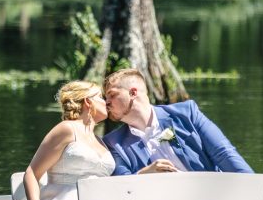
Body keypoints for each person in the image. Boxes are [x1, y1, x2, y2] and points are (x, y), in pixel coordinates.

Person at [102, 69, 253, 176]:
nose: (106, 102)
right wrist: (144, 175)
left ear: (133, 93)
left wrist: (256, 191)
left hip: (211, 199)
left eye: (112, 95)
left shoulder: (186, 114)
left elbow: (224, 154)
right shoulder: (114, 143)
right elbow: (122, 187)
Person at [19, 80, 116, 200]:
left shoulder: (100, 140)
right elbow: (31, 174)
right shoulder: (66, 129)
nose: (107, 102)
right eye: (101, 97)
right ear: (88, 102)